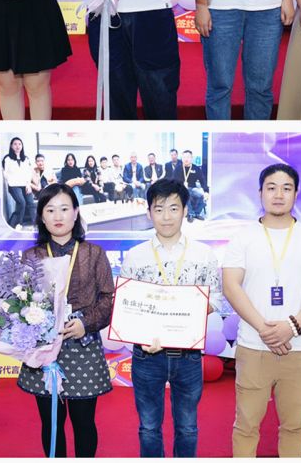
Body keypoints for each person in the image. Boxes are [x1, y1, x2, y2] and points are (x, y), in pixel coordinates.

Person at [222, 164, 301, 457]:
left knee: (294, 426)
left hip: (300, 347)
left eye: (286, 188)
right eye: (271, 188)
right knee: (246, 425)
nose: (278, 194)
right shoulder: (243, 237)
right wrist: (264, 329)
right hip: (253, 346)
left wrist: (292, 326)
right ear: (260, 192)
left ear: (296, 193)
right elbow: (231, 286)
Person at [121, 178, 222, 457]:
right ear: (149, 213)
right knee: (149, 427)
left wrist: (188, 311)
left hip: (188, 356)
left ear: (185, 211)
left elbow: (216, 299)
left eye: (174, 208)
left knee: (187, 427)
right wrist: (141, 333)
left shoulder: (204, 255)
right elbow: (126, 306)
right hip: (147, 355)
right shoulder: (135, 256)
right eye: (159, 209)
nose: (166, 216)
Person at [19, 183, 114, 457]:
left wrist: (86, 323)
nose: (58, 216)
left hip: (83, 345)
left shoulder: (94, 253)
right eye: (50, 210)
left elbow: (108, 298)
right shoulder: (32, 256)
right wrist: (36, 323)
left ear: (76, 213)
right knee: (51, 422)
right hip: (44, 350)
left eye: (64, 208)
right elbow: (20, 301)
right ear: (41, 216)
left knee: (84, 422)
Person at [3, 137, 33, 229]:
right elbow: (5, 173)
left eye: (19, 144)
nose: (17, 146)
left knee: (31, 203)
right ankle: (17, 224)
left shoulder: (26, 159)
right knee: (22, 203)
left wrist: (28, 184)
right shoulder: (7, 158)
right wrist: (12, 180)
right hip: (14, 185)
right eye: (15, 144)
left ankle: (35, 224)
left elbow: (28, 173)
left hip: (26, 185)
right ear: (11, 146)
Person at [177, 150, 209, 221]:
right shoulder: (178, 168)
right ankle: (190, 214)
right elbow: (173, 181)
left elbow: (203, 181)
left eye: (188, 157)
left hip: (192, 188)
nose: (186, 159)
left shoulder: (196, 169)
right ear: (182, 158)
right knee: (186, 192)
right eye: (184, 157)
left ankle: (196, 213)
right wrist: (182, 184)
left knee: (202, 195)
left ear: (191, 158)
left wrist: (206, 191)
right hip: (180, 189)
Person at [27, 154, 52, 223]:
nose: (40, 163)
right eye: (38, 161)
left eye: (42, 161)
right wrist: (36, 187)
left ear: (44, 161)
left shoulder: (49, 170)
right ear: (35, 162)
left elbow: (54, 181)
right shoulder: (32, 171)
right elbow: (27, 182)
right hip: (38, 192)